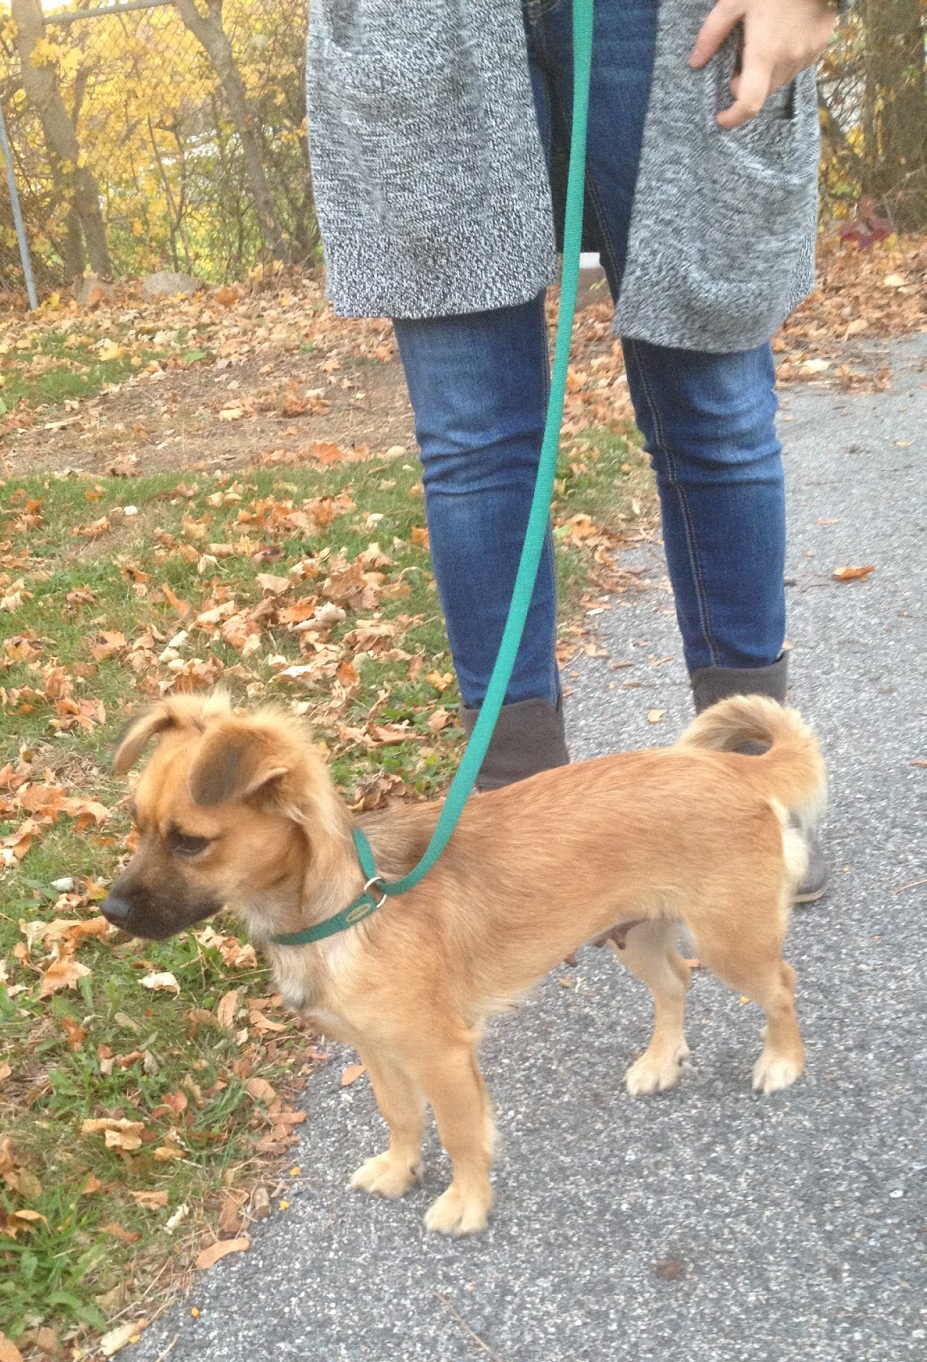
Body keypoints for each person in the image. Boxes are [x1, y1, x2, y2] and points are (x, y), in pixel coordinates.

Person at [304, 0, 841, 900]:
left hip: (677, 17)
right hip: (422, 25)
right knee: (473, 443)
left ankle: (754, 790)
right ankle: (518, 812)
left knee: (715, 415)